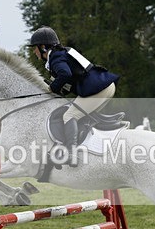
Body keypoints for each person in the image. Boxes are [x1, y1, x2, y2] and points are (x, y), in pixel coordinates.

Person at [29, 26, 120, 164]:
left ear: (43, 47)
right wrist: (58, 91)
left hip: (99, 88)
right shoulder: (61, 54)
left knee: (69, 115)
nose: (34, 51)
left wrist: (52, 88)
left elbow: (65, 74)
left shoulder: (55, 57)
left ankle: (72, 154)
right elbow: (70, 80)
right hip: (103, 86)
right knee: (79, 116)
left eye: (35, 48)